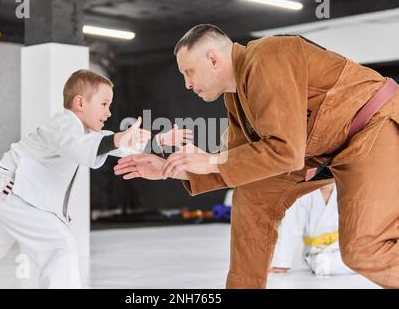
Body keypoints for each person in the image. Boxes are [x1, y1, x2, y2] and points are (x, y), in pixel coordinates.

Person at [114, 24, 399, 288]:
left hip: (373, 125)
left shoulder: (267, 55)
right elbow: (240, 160)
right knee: (252, 192)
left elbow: (284, 151)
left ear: (213, 60)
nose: (187, 84)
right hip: (325, 151)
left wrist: (212, 160)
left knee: (363, 250)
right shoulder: (236, 97)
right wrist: (171, 168)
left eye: (188, 72)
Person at [0, 69, 187, 289]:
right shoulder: (62, 125)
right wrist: (118, 139)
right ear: (80, 103)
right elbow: (83, 147)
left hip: (3, 191)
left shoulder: (85, 133)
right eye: (104, 104)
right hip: (11, 190)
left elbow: (116, 145)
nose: (109, 112)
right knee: (59, 247)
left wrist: (160, 141)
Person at [270, 183, 354, 276]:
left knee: (358, 259)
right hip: (315, 251)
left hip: (342, 248)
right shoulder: (303, 193)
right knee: (322, 265)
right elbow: (291, 227)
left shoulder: (347, 190)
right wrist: (282, 263)